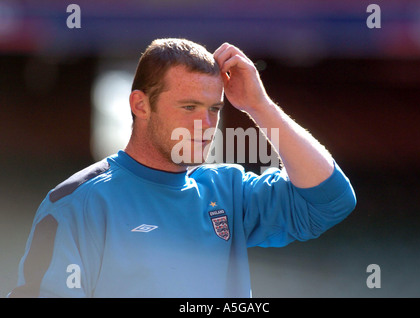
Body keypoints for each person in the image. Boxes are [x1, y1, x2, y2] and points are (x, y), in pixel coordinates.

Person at [10, 38, 356, 298]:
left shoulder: (228, 191)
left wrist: (259, 105)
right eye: (189, 107)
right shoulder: (77, 203)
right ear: (140, 105)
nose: (206, 124)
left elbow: (331, 199)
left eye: (214, 109)